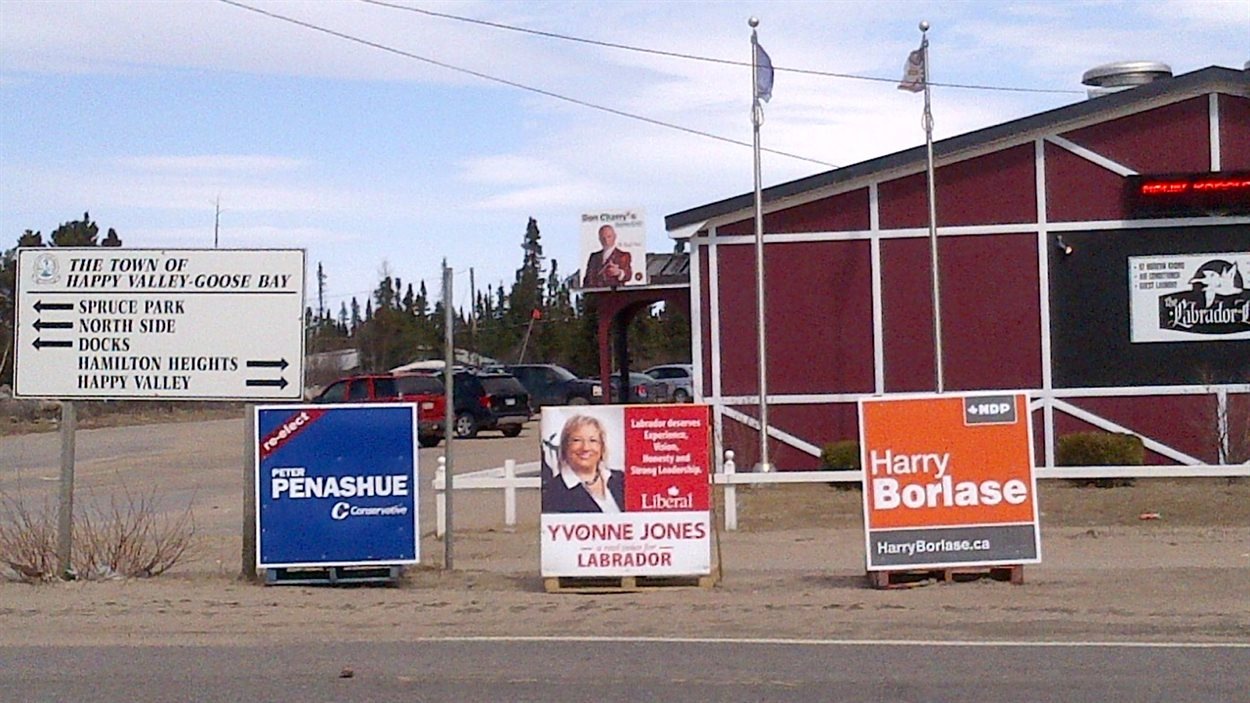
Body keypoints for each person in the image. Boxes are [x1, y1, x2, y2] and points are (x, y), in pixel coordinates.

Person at [542, 414, 626, 513]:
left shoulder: (621, 479)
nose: (585, 448)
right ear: (565, 446)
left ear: (602, 447)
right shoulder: (552, 492)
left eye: (593, 440)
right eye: (577, 440)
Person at [581, 224, 632, 288]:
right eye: (603, 238)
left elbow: (628, 274)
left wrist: (619, 272)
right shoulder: (594, 257)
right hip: (595, 295)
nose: (606, 240)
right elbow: (587, 278)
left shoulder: (623, 256)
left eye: (609, 236)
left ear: (615, 236)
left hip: (614, 295)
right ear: (599, 239)